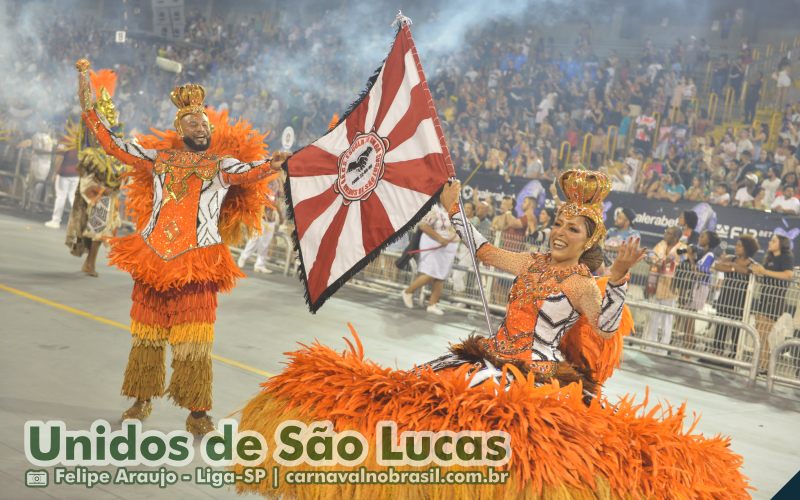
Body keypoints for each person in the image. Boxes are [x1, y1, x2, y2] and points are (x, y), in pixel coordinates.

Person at [236, 171, 749, 498]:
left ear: (590, 240)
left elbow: (608, 324)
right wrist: (456, 209)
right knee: (416, 407)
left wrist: (616, 279)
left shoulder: (580, 280)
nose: (558, 231)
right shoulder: (529, 261)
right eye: (558, 222)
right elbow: (483, 251)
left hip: (536, 376)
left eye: (573, 229)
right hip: (486, 358)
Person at [76, 59, 288, 434]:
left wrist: (272, 164)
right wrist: (89, 106)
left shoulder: (221, 165)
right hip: (153, 259)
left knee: (194, 341)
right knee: (147, 337)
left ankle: (197, 412)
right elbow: (113, 144)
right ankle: (141, 400)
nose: (200, 125)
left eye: (204, 121)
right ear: (180, 129)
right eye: (192, 122)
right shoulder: (159, 160)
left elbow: (250, 170)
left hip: (198, 262)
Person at [64, 70, 126, 276]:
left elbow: (121, 154)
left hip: (110, 184)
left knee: (101, 225)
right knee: (94, 223)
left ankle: (90, 262)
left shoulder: (116, 134)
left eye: (113, 112)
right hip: (94, 180)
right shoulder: (91, 124)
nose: (112, 116)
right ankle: (88, 261)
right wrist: (83, 77)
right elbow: (85, 104)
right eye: (107, 112)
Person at [401, 203, 458, 315]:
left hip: (449, 246)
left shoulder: (455, 209)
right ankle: (408, 292)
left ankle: (432, 305)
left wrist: (451, 238)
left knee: (441, 275)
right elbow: (423, 225)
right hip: (433, 243)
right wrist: (440, 239)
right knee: (431, 273)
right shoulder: (434, 208)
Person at [750, 235, 794, 372]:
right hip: (764, 298)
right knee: (760, 333)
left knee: (763, 332)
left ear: (782, 244)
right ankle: (762, 364)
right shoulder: (769, 258)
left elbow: (788, 275)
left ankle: (765, 366)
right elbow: (764, 273)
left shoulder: (786, 258)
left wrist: (765, 272)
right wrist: (758, 272)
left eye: (774, 241)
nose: (770, 242)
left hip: (775, 299)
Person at [712, 235, 759, 358]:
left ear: (747, 248)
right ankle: (716, 353)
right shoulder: (730, 258)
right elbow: (717, 266)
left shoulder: (752, 263)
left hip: (741, 302)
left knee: (737, 331)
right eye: (736, 244)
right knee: (720, 327)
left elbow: (747, 271)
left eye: (739, 245)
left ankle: (734, 356)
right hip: (725, 298)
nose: (736, 247)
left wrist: (731, 267)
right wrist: (734, 268)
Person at [673, 231, 720, 350]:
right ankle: (687, 346)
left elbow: (700, 272)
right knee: (688, 318)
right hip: (695, 286)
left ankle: (688, 347)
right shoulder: (702, 252)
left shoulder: (709, 255)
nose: (699, 238)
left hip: (700, 287)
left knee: (690, 318)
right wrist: (690, 255)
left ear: (708, 240)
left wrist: (691, 258)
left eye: (703, 236)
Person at [643, 226, 685, 353]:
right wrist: (652, 259)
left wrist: (665, 261)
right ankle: (650, 346)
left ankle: (663, 349)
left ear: (676, 237)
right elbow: (651, 257)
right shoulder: (660, 244)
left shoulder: (682, 247)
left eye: (669, 233)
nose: (665, 234)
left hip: (671, 287)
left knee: (667, 319)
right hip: (656, 284)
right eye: (666, 232)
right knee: (653, 317)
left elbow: (683, 262)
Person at [45, 121, 81, 229]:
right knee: (73, 198)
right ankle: (78, 222)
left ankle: (56, 220)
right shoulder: (80, 142)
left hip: (64, 173)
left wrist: (55, 172)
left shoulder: (64, 142)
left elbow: (59, 158)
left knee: (61, 196)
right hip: (76, 173)